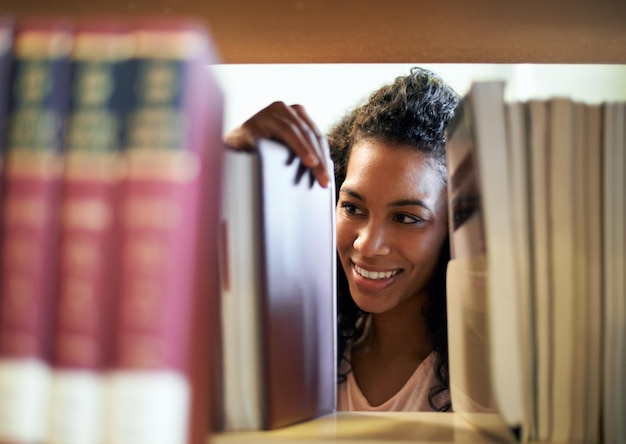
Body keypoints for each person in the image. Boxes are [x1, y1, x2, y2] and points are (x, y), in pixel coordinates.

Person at [224, 67, 459, 412]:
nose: (367, 244)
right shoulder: (307, 346)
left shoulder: (477, 380)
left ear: (453, 229)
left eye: (406, 218)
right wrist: (229, 163)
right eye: (352, 207)